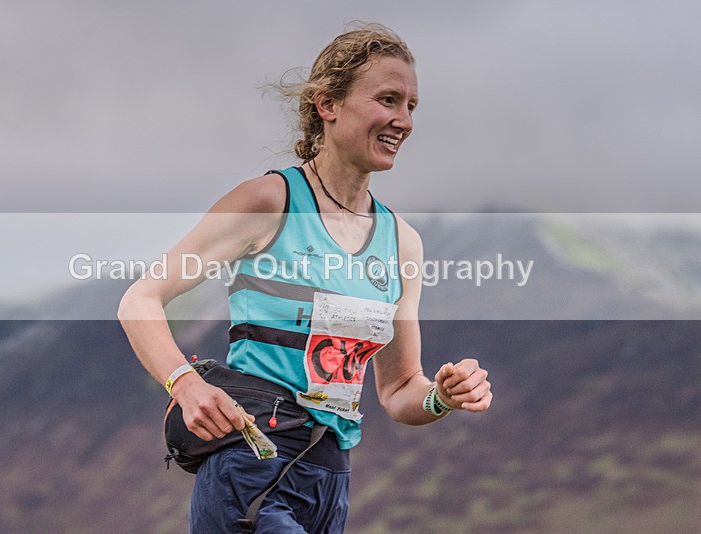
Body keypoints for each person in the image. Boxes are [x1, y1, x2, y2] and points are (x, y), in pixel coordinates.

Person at [118, 23, 492, 533]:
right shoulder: (269, 202)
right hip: (252, 467)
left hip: (329, 480)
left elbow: (401, 388)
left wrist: (441, 398)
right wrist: (184, 384)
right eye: (388, 99)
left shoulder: (401, 242)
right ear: (327, 104)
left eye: (411, 106)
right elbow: (141, 298)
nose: (403, 120)